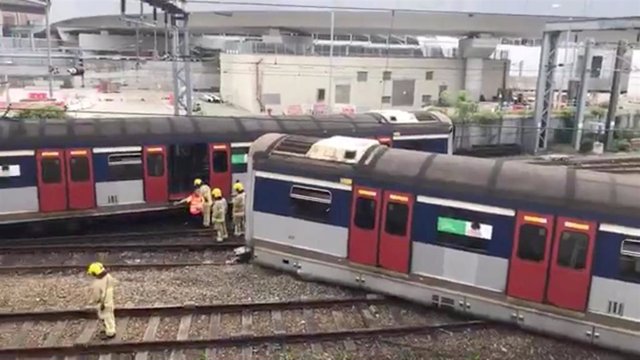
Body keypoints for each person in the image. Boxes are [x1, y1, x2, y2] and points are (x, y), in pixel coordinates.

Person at [87, 262, 117, 340]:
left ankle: (110, 332)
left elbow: (97, 296)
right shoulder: (108, 277)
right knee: (110, 315)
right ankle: (111, 328)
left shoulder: (97, 284)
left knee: (105, 317)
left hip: (103, 303)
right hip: (109, 299)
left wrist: (94, 301)